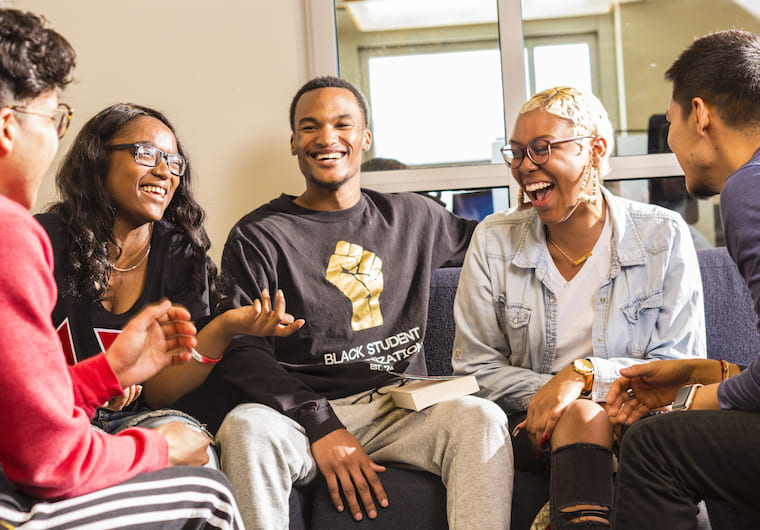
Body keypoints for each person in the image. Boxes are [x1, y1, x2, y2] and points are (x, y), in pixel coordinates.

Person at [177, 76, 514, 530]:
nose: (326, 138)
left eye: (342, 124)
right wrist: (322, 424)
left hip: (402, 408)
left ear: (365, 137)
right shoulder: (261, 234)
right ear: (294, 142)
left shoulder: (413, 218)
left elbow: (498, 245)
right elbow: (242, 350)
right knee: (245, 428)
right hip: (299, 416)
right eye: (310, 127)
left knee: (481, 418)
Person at [0, 8, 243, 529]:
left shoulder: (181, 253)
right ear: (7, 129)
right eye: (53, 120)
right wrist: (155, 447)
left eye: (173, 161)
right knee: (207, 493)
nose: (55, 139)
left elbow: (19, 406)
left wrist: (106, 373)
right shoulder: (16, 234)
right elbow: (46, 457)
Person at [451, 86, 706, 529]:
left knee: (593, 413)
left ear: (595, 150)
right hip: (529, 422)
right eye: (516, 153)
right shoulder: (493, 239)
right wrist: (561, 398)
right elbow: (473, 369)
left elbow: (679, 365)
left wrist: (582, 376)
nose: (524, 166)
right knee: (584, 414)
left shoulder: (662, 235)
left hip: (639, 417)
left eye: (541, 148)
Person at [36, 103, 303, 466]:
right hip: (52, 418)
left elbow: (161, 395)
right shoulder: (42, 240)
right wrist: (95, 385)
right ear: (98, 159)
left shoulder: (180, 253)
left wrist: (225, 327)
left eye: (174, 162)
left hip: (141, 421)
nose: (164, 171)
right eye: (147, 154)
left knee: (198, 452)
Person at [606, 29, 760, 529]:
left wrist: (693, 401)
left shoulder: (749, 189)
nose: (670, 142)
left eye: (670, 123)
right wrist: (697, 373)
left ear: (700, 115)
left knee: (655, 446)